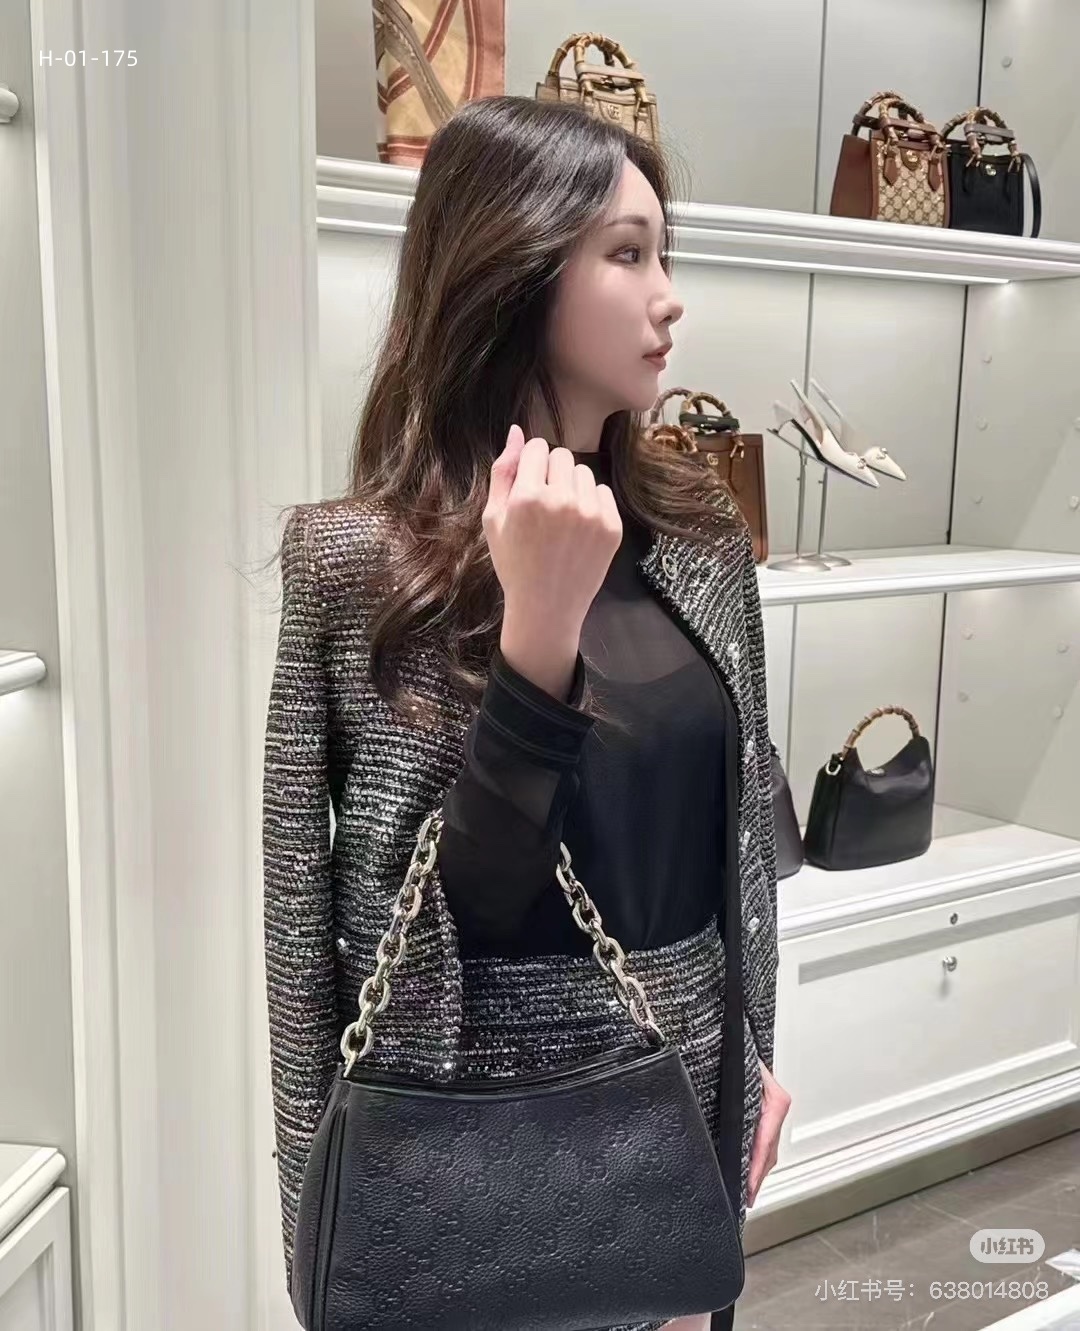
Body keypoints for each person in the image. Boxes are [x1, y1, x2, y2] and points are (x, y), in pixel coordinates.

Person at [262, 94, 790, 1331]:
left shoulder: (700, 539)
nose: (669, 297)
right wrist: (318, 1217)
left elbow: (733, 852)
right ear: (515, 265)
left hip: (681, 1122)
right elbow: (349, 930)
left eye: (665, 252)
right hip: (467, 1161)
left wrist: (752, 1056)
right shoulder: (359, 568)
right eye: (627, 253)